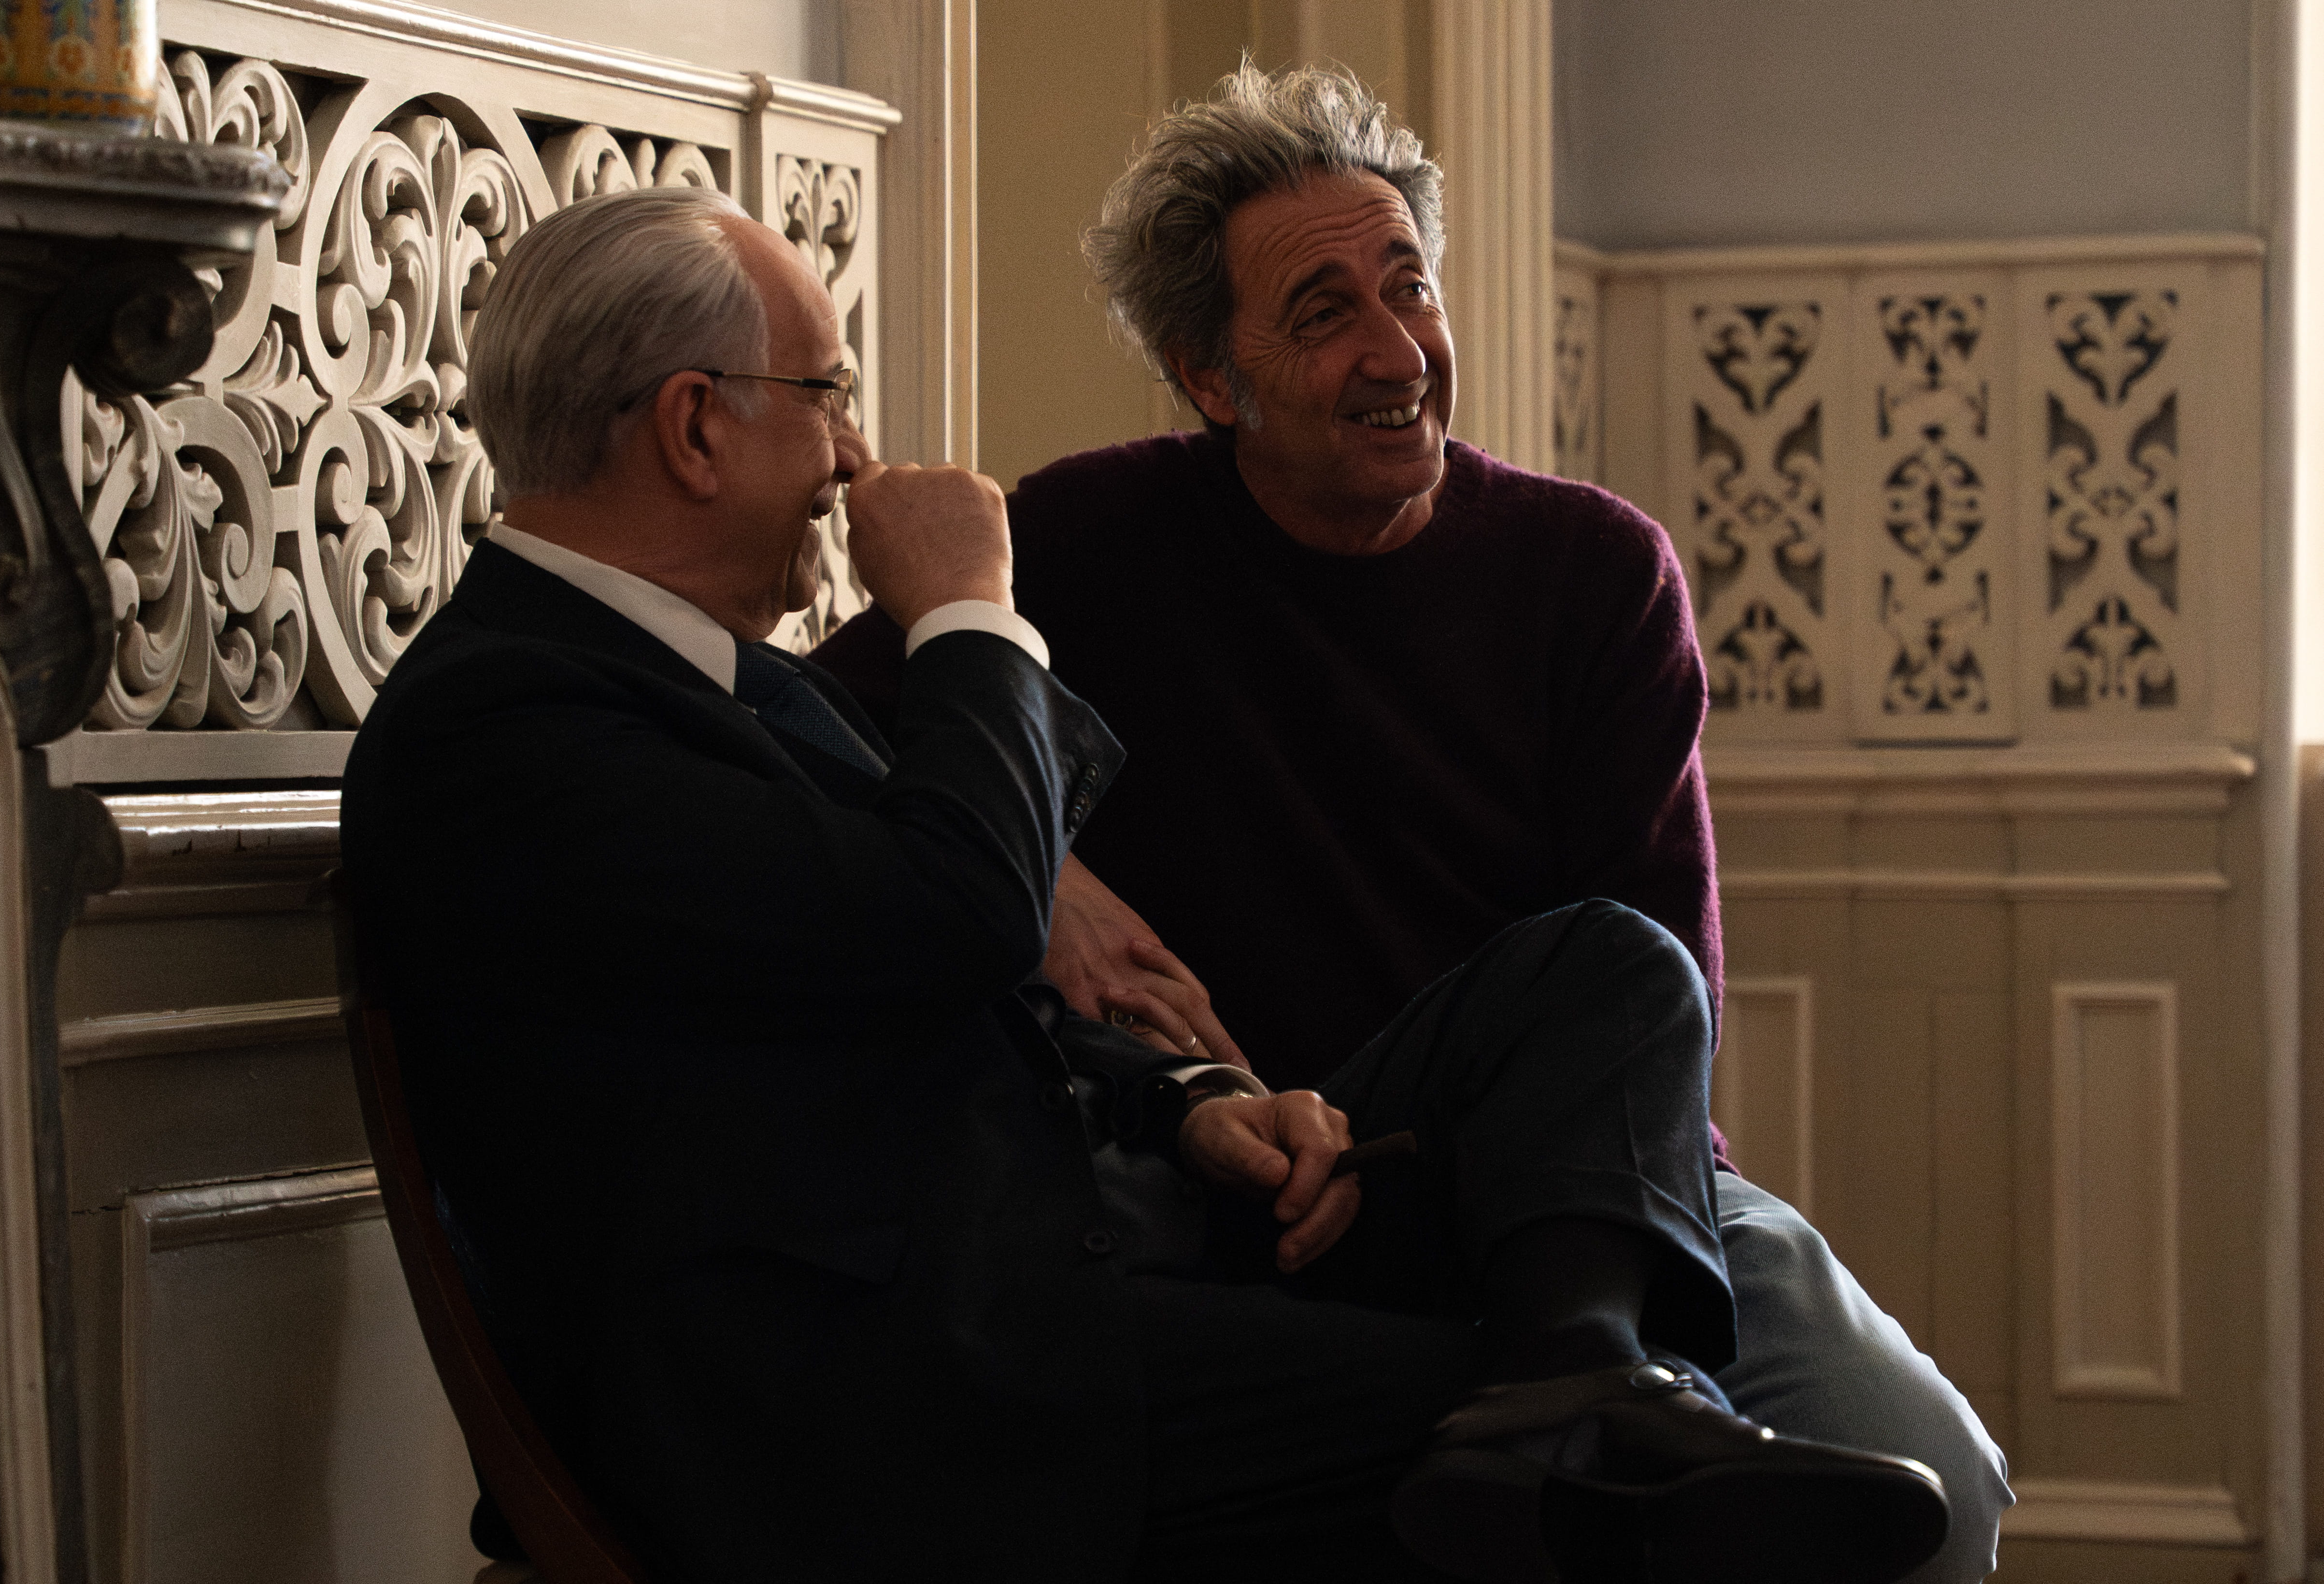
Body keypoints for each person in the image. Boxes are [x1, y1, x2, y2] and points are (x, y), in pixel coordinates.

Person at [343, 183, 1953, 1583]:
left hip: (1066, 1261)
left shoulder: (717, 684)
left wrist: (1185, 1102)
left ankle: (1587, 1384)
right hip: (896, 1397)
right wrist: (967, 608)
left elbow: (917, 962)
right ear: (696, 426)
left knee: (1602, 968)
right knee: (1505, 1451)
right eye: (823, 396)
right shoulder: (510, 722)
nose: (850, 458)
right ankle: (1578, 1425)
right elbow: (955, 913)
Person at [813, 64, 2014, 1583]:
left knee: (1938, 1489)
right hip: (1236, 1181)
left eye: (1410, 289)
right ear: (1211, 379)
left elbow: (1665, 995)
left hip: (1576, 1189)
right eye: (1322, 314)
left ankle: (1599, 1387)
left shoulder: (1594, 574)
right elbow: (799, 741)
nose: (1396, 352)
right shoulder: (1083, 544)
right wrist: (1042, 879)